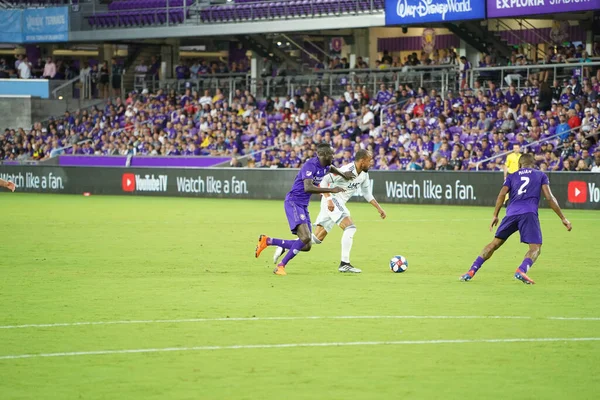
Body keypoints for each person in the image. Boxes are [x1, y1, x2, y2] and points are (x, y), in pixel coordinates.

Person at [460, 153, 572, 284]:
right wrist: (563, 218)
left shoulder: (512, 176)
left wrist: (495, 214)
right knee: (535, 248)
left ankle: (471, 270)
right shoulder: (540, 175)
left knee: (494, 244)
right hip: (528, 213)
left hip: (511, 213)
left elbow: (501, 194)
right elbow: (549, 198)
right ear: (533, 164)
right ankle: (521, 270)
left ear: (519, 164)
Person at [273, 150, 386, 273]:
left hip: (337, 203)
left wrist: (379, 209)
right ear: (362, 160)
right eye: (369, 161)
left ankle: (284, 246)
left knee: (316, 239)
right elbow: (324, 180)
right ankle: (344, 263)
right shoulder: (347, 170)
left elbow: (367, 194)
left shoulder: (364, 175)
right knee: (350, 227)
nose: (371, 163)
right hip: (333, 201)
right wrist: (329, 199)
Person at [255, 143, 353, 276]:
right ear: (322, 155)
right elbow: (308, 187)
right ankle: (280, 266)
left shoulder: (325, 165)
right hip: (293, 202)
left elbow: (331, 168)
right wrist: (331, 189)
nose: (333, 156)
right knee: (306, 237)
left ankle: (268, 241)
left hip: (303, 205)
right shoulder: (310, 165)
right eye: (331, 154)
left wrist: (343, 174)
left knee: (306, 246)